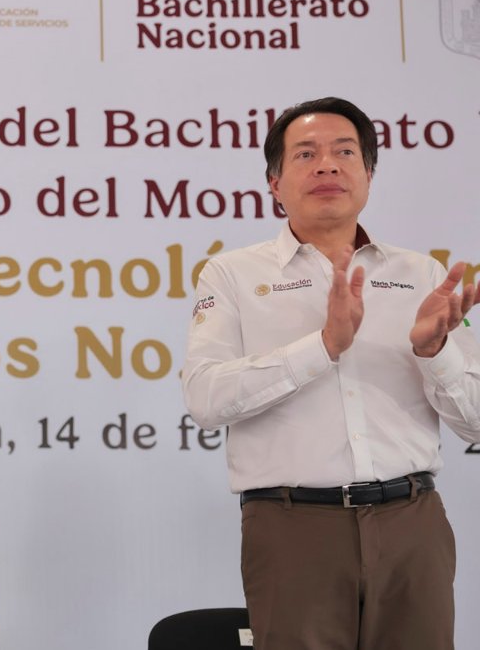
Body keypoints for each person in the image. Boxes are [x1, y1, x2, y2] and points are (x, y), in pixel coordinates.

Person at [182, 97, 480, 649]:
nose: (327, 165)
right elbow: (206, 398)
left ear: (368, 174)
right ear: (274, 182)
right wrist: (322, 347)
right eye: (306, 154)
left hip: (412, 521)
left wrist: (436, 352)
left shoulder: (422, 274)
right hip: (293, 525)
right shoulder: (232, 274)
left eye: (345, 152)